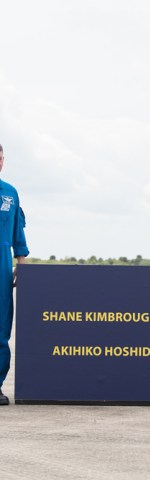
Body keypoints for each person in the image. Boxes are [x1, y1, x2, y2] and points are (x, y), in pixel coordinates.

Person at [0, 144, 29, 405]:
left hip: (1, 266)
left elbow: (17, 231)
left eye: (0, 159)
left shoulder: (9, 193)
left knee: (0, 326)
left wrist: (21, 262)